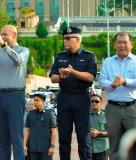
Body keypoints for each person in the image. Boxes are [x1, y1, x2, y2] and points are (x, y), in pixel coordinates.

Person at [50, 26, 97, 160]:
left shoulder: (89, 56)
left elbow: (90, 77)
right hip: (64, 97)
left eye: (68, 38)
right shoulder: (60, 57)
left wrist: (72, 72)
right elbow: (53, 77)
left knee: (83, 137)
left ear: (77, 39)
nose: (64, 41)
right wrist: (61, 77)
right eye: (64, 38)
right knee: (64, 138)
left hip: (81, 98)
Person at [0, 24, 30, 160]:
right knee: (3, 138)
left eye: (5, 34)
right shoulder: (0, 50)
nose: (3, 37)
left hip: (15, 95)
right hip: (0, 96)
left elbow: (19, 60)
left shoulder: (24, 50)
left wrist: (2, 45)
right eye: (1, 34)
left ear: (15, 35)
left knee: (16, 137)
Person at [98, 32, 136, 160]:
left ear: (131, 44)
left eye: (125, 42)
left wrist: (125, 81)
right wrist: (113, 84)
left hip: (132, 108)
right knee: (114, 144)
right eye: (119, 42)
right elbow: (102, 81)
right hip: (112, 108)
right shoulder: (108, 62)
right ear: (114, 45)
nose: (122, 45)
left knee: (134, 143)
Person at [23, 94, 57, 160]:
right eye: (34, 100)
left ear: (43, 102)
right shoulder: (30, 114)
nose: (35, 102)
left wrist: (52, 146)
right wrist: (24, 145)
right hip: (33, 149)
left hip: (46, 149)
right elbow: (27, 131)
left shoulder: (50, 114)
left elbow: (54, 131)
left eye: (37, 100)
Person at [89, 94, 109, 160]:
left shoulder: (107, 116)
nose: (94, 103)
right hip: (88, 148)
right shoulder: (84, 116)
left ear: (100, 103)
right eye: (92, 101)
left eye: (96, 101)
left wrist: (98, 133)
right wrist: (88, 133)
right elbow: (78, 131)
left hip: (102, 149)